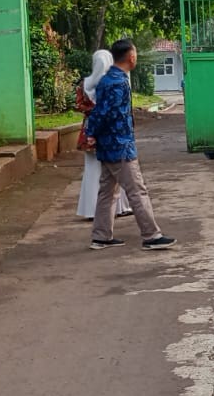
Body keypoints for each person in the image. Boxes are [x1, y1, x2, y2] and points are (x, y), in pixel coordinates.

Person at [87, 38, 176, 251]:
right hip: (120, 145)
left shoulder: (106, 80)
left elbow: (99, 112)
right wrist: (94, 133)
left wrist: (92, 133)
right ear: (131, 57)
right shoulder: (119, 82)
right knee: (136, 191)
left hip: (107, 146)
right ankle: (151, 236)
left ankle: (101, 236)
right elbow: (108, 114)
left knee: (107, 191)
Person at [75, 50, 131, 221]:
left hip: (89, 130)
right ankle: (119, 207)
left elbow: (78, 105)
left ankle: (91, 209)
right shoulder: (111, 83)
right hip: (110, 131)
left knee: (92, 170)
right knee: (115, 169)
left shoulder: (84, 84)